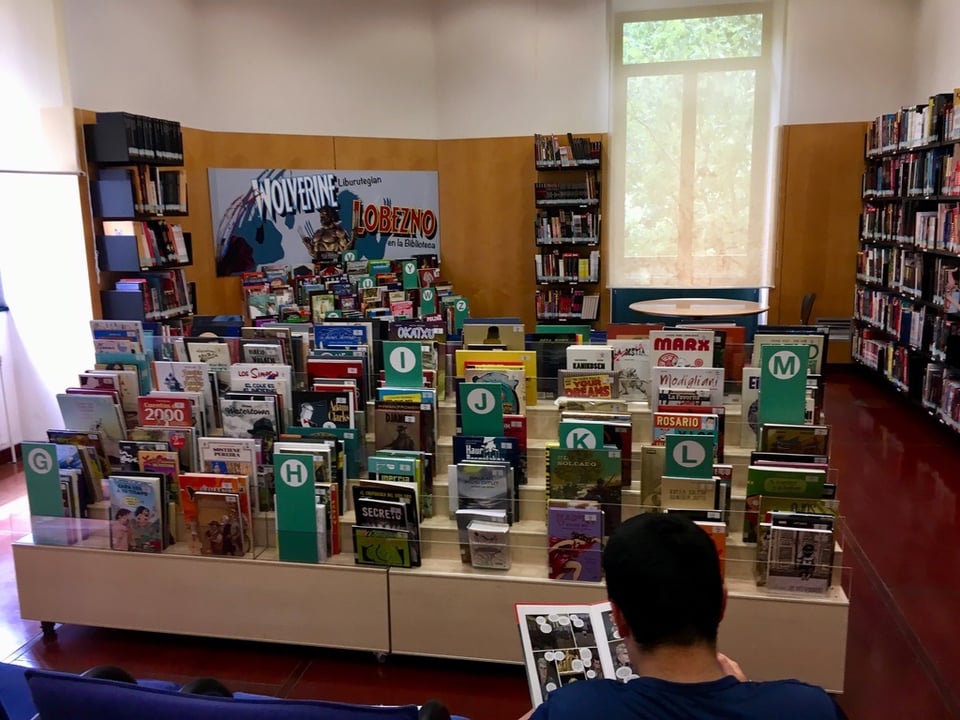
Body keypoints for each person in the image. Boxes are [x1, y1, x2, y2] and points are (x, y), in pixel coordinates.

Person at [519, 513, 845, 719]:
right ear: (722, 605)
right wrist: (746, 695)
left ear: (618, 619)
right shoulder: (808, 708)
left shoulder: (573, 708)